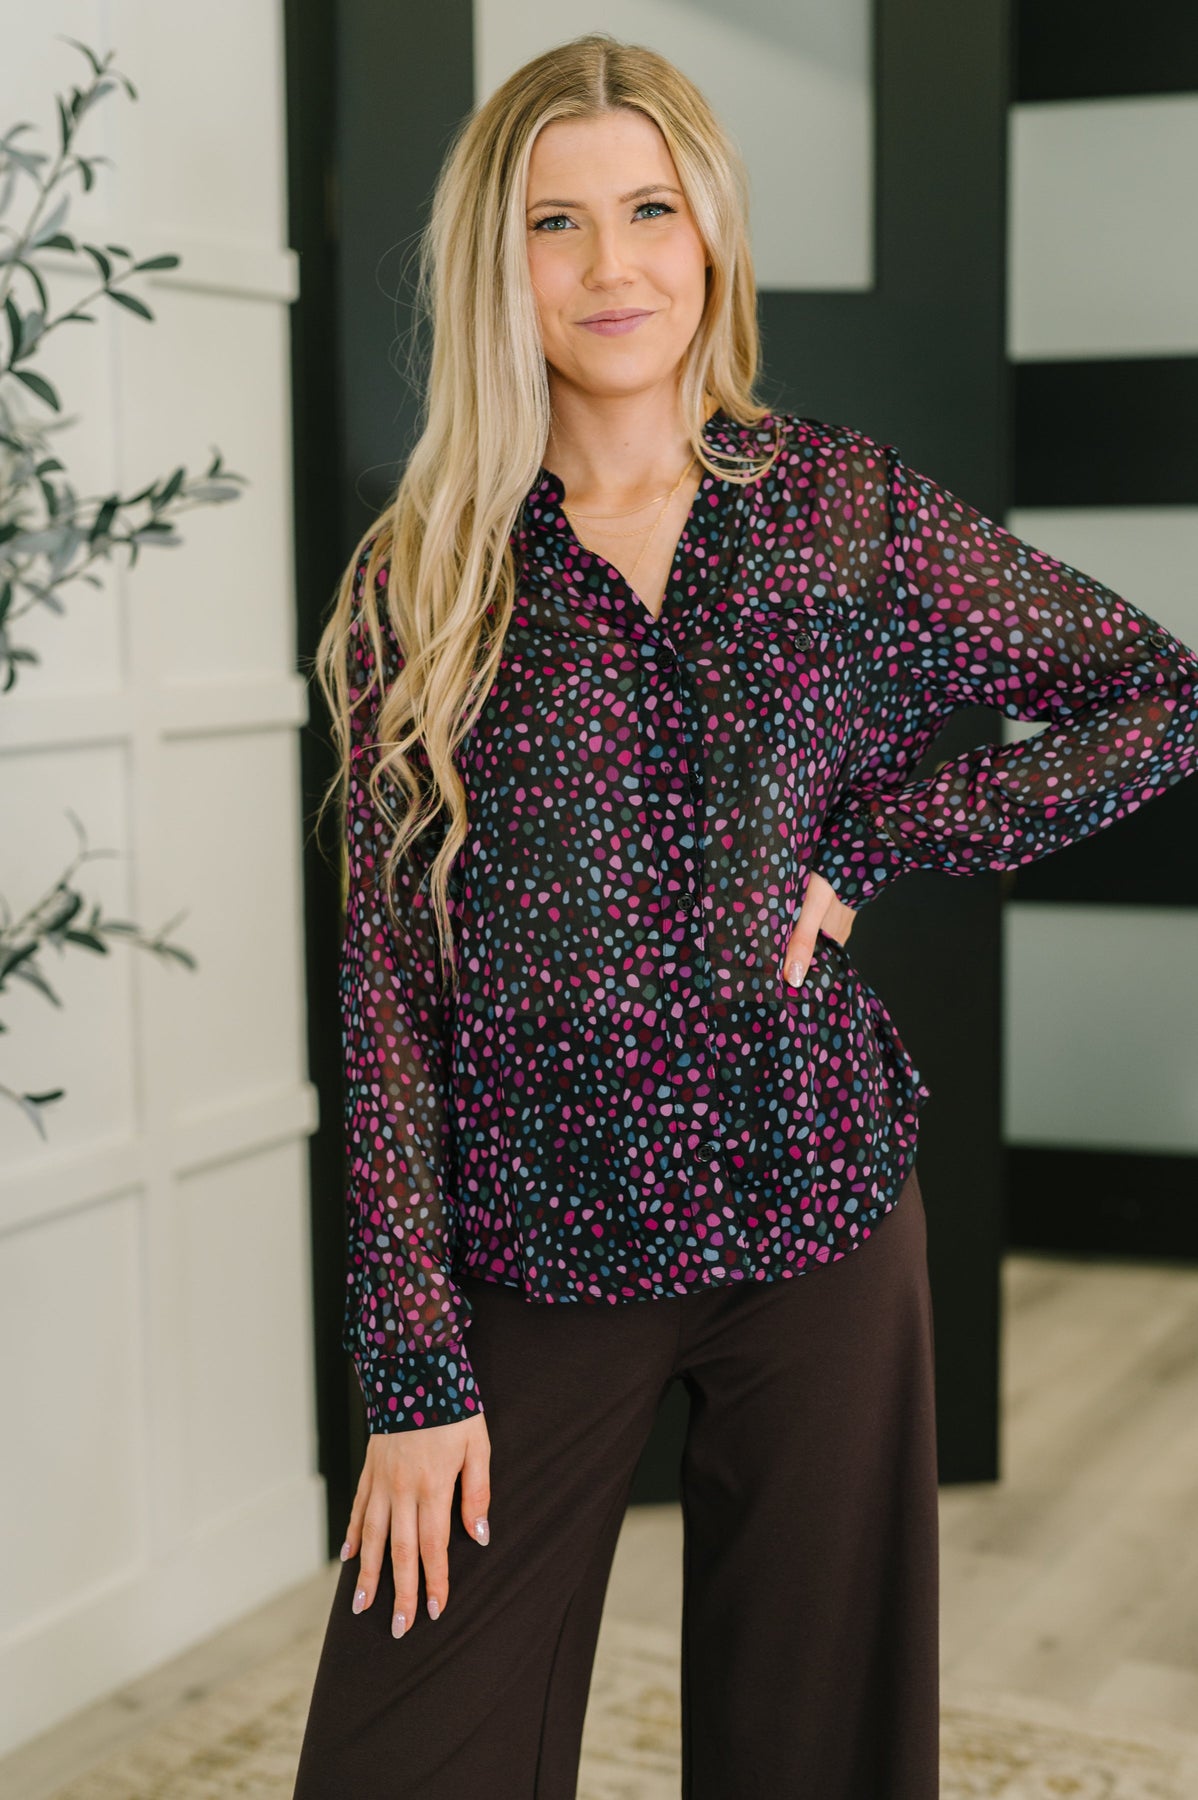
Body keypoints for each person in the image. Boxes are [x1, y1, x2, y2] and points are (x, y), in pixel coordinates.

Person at [292, 31, 1198, 1800]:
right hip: (535, 1239)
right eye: (556, 222)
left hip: (817, 1211)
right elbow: (387, 986)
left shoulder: (837, 513)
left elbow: (1156, 696)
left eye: (649, 210)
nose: (610, 265)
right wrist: (411, 1369)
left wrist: (880, 838)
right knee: (405, 1755)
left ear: (708, 232)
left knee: (815, 1754)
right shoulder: (427, 574)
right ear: (496, 261)